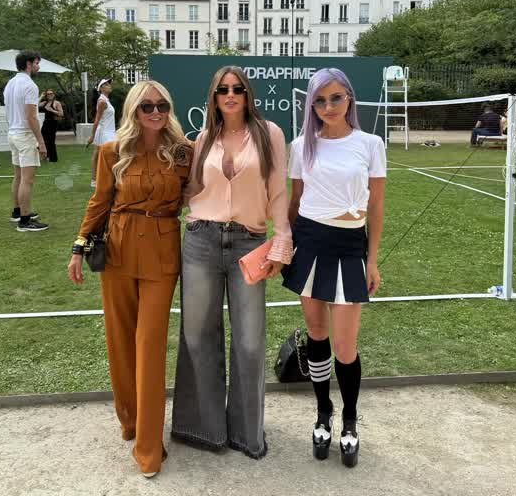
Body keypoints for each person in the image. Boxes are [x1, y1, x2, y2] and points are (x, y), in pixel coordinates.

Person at [68, 80, 192, 479]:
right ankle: (131, 420)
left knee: (150, 345)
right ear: (133, 111)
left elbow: (200, 194)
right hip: (119, 250)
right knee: (120, 341)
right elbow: (100, 202)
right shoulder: (111, 151)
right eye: (146, 106)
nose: (155, 112)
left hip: (162, 253)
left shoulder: (184, 152)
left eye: (162, 105)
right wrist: (79, 246)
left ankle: (149, 447)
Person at [171, 65, 292, 459]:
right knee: (197, 336)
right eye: (223, 89)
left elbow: (278, 191)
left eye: (237, 88)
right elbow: (191, 189)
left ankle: (245, 434)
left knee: (250, 342)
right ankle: (204, 430)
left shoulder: (270, 133)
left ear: (247, 93)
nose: (230, 94)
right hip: (201, 240)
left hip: (248, 242)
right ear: (214, 95)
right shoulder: (204, 138)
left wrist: (282, 240)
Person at [282, 68, 386, 467]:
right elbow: (295, 202)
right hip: (309, 243)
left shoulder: (370, 143)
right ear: (311, 106)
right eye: (320, 100)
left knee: (345, 345)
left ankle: (350, 421)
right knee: (317, 334)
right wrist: (283, 244)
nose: (328, 106)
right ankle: (323, 413)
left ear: (350, 99)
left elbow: (376, 206)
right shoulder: (301, 146)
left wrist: (372, 259)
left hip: (349, 246)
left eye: (336, 97)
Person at [4, 50, 49, 231]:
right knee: (27, 180)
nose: (39, 66)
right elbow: (31, 117)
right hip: (24, 135)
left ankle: (18, 212)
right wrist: (41, 142)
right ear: (29, 64)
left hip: (13, 134)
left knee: (18, 176)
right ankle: (24, 221)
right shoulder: (30, 85)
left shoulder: (10, 83)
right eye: (37, 63)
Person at [88, 79, 116, 188]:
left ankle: (96, 180)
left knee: (98, 156)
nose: (109, 86)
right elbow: (97, 120)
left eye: (109, 84)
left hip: (108, 132)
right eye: (106, 84)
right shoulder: (102, 102)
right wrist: (92, 136)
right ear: (101, 88)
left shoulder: (105, 100)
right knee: (105, 157)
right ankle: (98, 180)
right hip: (105, 133)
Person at [39, 88, 64, 162]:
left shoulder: (56, 103)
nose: (49, 95)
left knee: (51, 141)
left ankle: (53, 159)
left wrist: (51, 110)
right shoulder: (44, 102)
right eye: (48, 94)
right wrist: (41, 97)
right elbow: (35, 105)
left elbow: (61, 114)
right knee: (42, 140)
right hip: (45, 123)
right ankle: (45, 157)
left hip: (53, 123)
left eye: (51, 94)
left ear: (54, 95)